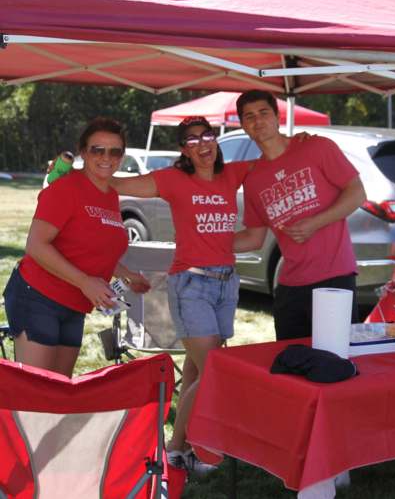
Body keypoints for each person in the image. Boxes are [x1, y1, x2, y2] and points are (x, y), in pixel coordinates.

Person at [111, 116, 252, 472]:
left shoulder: (232, 174)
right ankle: (176, 447)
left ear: (216, 141)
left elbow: (275, 161)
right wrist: (78, 176)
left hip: (226, 284)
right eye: (192, 140)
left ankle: (185, 441)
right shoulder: (173, 179)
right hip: (191, 285)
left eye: (208, 136)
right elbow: (118, 183)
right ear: (183, 150)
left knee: (196, 371)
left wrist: (303, 143)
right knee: (215, 371)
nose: (203, 144)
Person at [2, 118, 151, 377]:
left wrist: (125, 274)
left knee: (58, 390)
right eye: (98, 150)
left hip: (75, 304)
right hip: (37, 296)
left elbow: (92, 249)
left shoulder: (110, 194)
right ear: (83, 152)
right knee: (36, 393)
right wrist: (84, 281)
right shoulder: (67, 187)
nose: (107, 157)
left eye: (115, 151)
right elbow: (36, 245)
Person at [233, 90, 366, 340]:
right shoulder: (254, 179)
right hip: (289, 286)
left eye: (263, 113)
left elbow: (357, 193)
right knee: (291, 364)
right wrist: (206, 244)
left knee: (334, 363)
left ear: (277, 117)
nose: (257, 121)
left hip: (333, 279)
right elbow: (253, 238)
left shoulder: (316, 147)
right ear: (243, 126)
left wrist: (315, 223)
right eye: (249, 117)